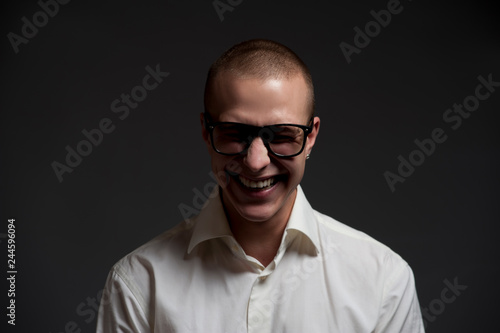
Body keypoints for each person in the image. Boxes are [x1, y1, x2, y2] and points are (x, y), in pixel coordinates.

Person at [96, 39, 425, 332]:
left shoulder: (384, 281)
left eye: (281, 136)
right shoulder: (138, 284)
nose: (255, 161)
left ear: (310, 137)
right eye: (234, 133)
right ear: (205, 132)